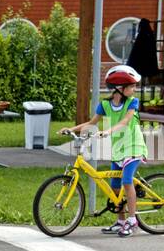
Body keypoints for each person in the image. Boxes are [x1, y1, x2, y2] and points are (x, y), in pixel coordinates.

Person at [62, 64, 147, 237]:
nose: (135, 89)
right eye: (132, 86)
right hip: (118, 150)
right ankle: (120, 221)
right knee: (115, 188)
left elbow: (125, 121)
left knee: (126, 181)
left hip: (133, 147)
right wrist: (71, 129)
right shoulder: (105, 105)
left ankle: (132, 220)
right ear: (120, 88)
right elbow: (91, 123)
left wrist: (108, 131)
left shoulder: (133, 102)